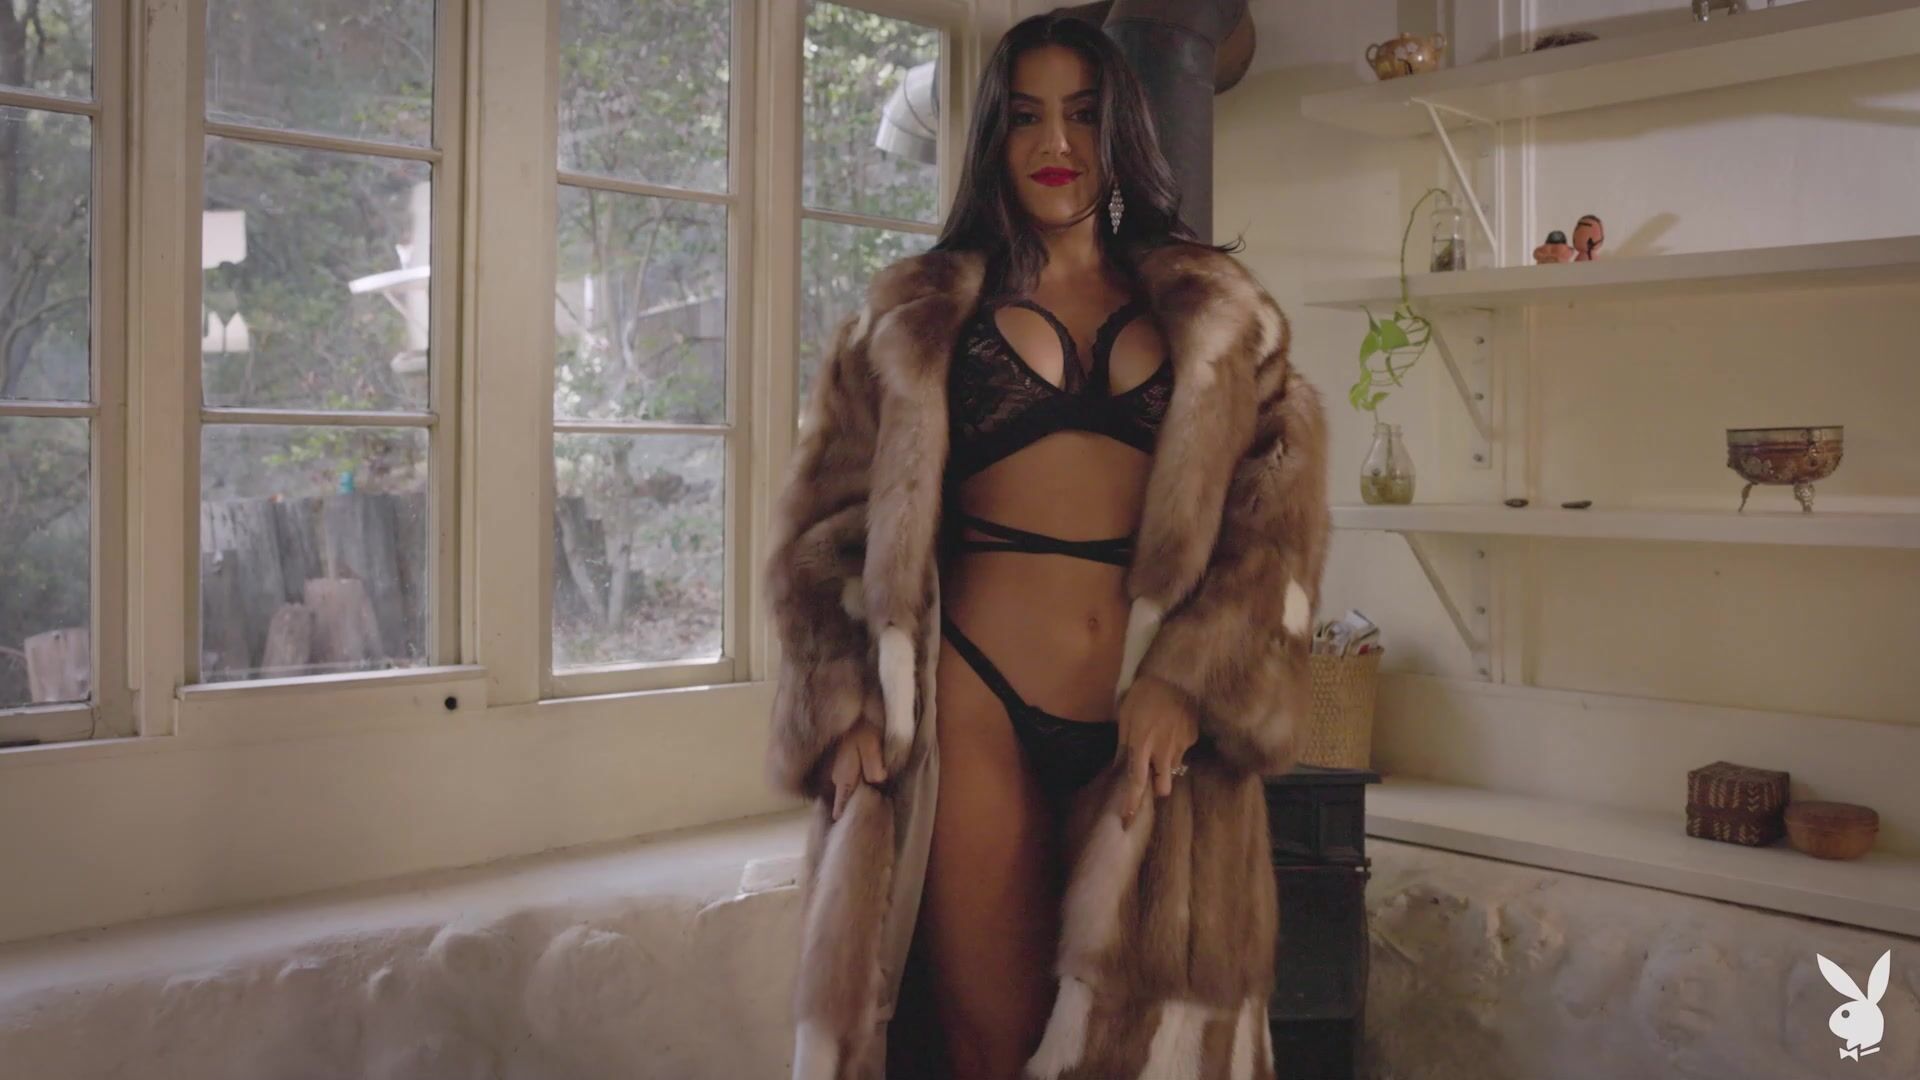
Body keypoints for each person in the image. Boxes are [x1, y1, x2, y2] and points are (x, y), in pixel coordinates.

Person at [765, 13, 1329, 1080]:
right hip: (973, 707)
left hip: (1148, 716)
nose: (1055, 141)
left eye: (1082, 113)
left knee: (1134, 1055)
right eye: (1025, 117)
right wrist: (840, 706)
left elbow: (1273, 534)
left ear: (1122, 132)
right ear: (993, 137)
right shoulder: (913, 318)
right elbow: (821, 534)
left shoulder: (1222, 319)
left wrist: (1192, 682)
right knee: (984, 1046)